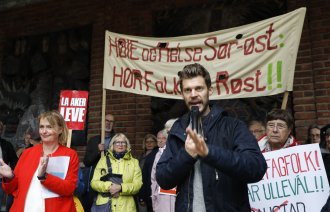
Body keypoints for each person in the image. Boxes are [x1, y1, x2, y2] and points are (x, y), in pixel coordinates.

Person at [156, 63, 267, 211]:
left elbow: (256, 168)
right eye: (188, 90)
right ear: (182, 94)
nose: (193, 94)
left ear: (209, 90)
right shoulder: (178, 129)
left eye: (199, 88)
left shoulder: (233, 126)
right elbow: (163, 179)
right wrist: (186, 155)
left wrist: (209, 152)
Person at [0, 110, 79, 211]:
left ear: (60, 129)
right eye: (42, 127)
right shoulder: (27, 153)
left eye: (49, 127)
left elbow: (69, 189)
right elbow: (12, 189)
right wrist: (10, 177)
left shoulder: (69, 154)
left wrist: (44, 177)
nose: (44, 131)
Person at [91, 133, 142, 212]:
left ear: (127, 145)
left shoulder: (134, 162)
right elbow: (94, 183)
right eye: (117, 142)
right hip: (105, 206)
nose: (120, 144)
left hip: (126, 207)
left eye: (123, 142)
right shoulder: (103, 160)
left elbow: (137, 185)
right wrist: (109, 186)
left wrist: (121, 188)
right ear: (112, 145)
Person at [82, 113, 115, 211]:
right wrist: (97, 151)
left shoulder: (117, 139)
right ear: (102, 122)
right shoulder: (93, 140)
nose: (108, 123)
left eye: (111, 121)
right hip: (96, 182)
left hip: (112, 181)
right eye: (106, 121)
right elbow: (87, 162)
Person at [151, 128, 175, 212]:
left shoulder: (172, 152)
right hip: (159, 193)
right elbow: (153, 178)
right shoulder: (157, 154)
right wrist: (153, 195)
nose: (160, 141)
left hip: (172, 194)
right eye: (159, 138)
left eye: (163, 138)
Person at [0, 121, 18, 211]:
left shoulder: (6, 145)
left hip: (1, 180)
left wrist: (11, 175)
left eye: (0, 129)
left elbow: (15, 161)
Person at [137, 134, 157, 212]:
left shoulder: (157, 154)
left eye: (151, 142)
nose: (149, 144)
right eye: (147, 142)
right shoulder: (141, 156)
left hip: (151, 187)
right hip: (141, 186)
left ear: (155, 143)